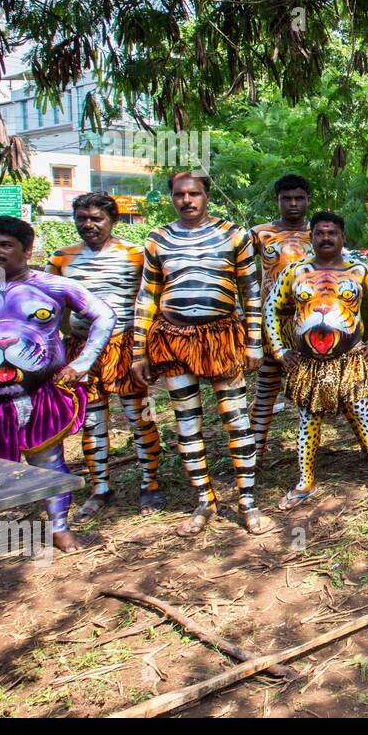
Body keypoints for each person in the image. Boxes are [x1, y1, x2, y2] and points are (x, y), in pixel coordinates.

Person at [0, 217, 114, 581]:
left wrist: (82, 363)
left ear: (26, 249)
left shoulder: (53, 286)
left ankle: (58, 527)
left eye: (5, 244)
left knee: (50, 463)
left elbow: (104, 315)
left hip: (37, 397)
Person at [131, 172, 274, 536]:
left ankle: (247, 502)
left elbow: (250, 291)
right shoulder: (158, 238)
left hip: (222, 337)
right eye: (180, 194)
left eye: (194, 193)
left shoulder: (234, 235)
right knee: (186, 422)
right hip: (172, 338)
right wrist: (138, 350)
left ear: (207, 195)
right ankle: (204, 501)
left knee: (236, 419)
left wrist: (254, 341)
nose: (187, 200)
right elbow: (147, 295)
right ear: (172, 198)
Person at [49, 192, 163, 520]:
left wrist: (147, 349)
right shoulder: (61, 258)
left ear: (112, 220)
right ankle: (100, 488)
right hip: (80, 348)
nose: (89, 225)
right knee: (92, 420)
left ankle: (150, 484)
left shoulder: (135, 254)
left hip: (124, 345)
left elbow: (148, 301)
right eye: (82, 218)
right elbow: (52, 307)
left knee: (138, 416)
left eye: (96, 218)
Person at [264, 211, 368, 509]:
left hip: (350, 360)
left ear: (342, 237)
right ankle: (305, 480)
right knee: (308, 420)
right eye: (319, 233)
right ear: (312, 237)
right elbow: (271, 310)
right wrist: (280, 351)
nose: (326, 238)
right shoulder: (294, 272)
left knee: (363, 414)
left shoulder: (359, 271)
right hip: (308, 363)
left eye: (332, 232)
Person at [248, 174, 313, 462]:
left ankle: (306, 460)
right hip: (270, 324)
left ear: (308, 200)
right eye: (287, 198)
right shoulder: (260, 233)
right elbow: (240, 270)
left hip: (307, 324)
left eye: (299, 198)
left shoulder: (320, 232)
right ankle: (254, 455)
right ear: (277, 200)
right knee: (266, 389)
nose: (293, 204)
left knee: (307, 392)